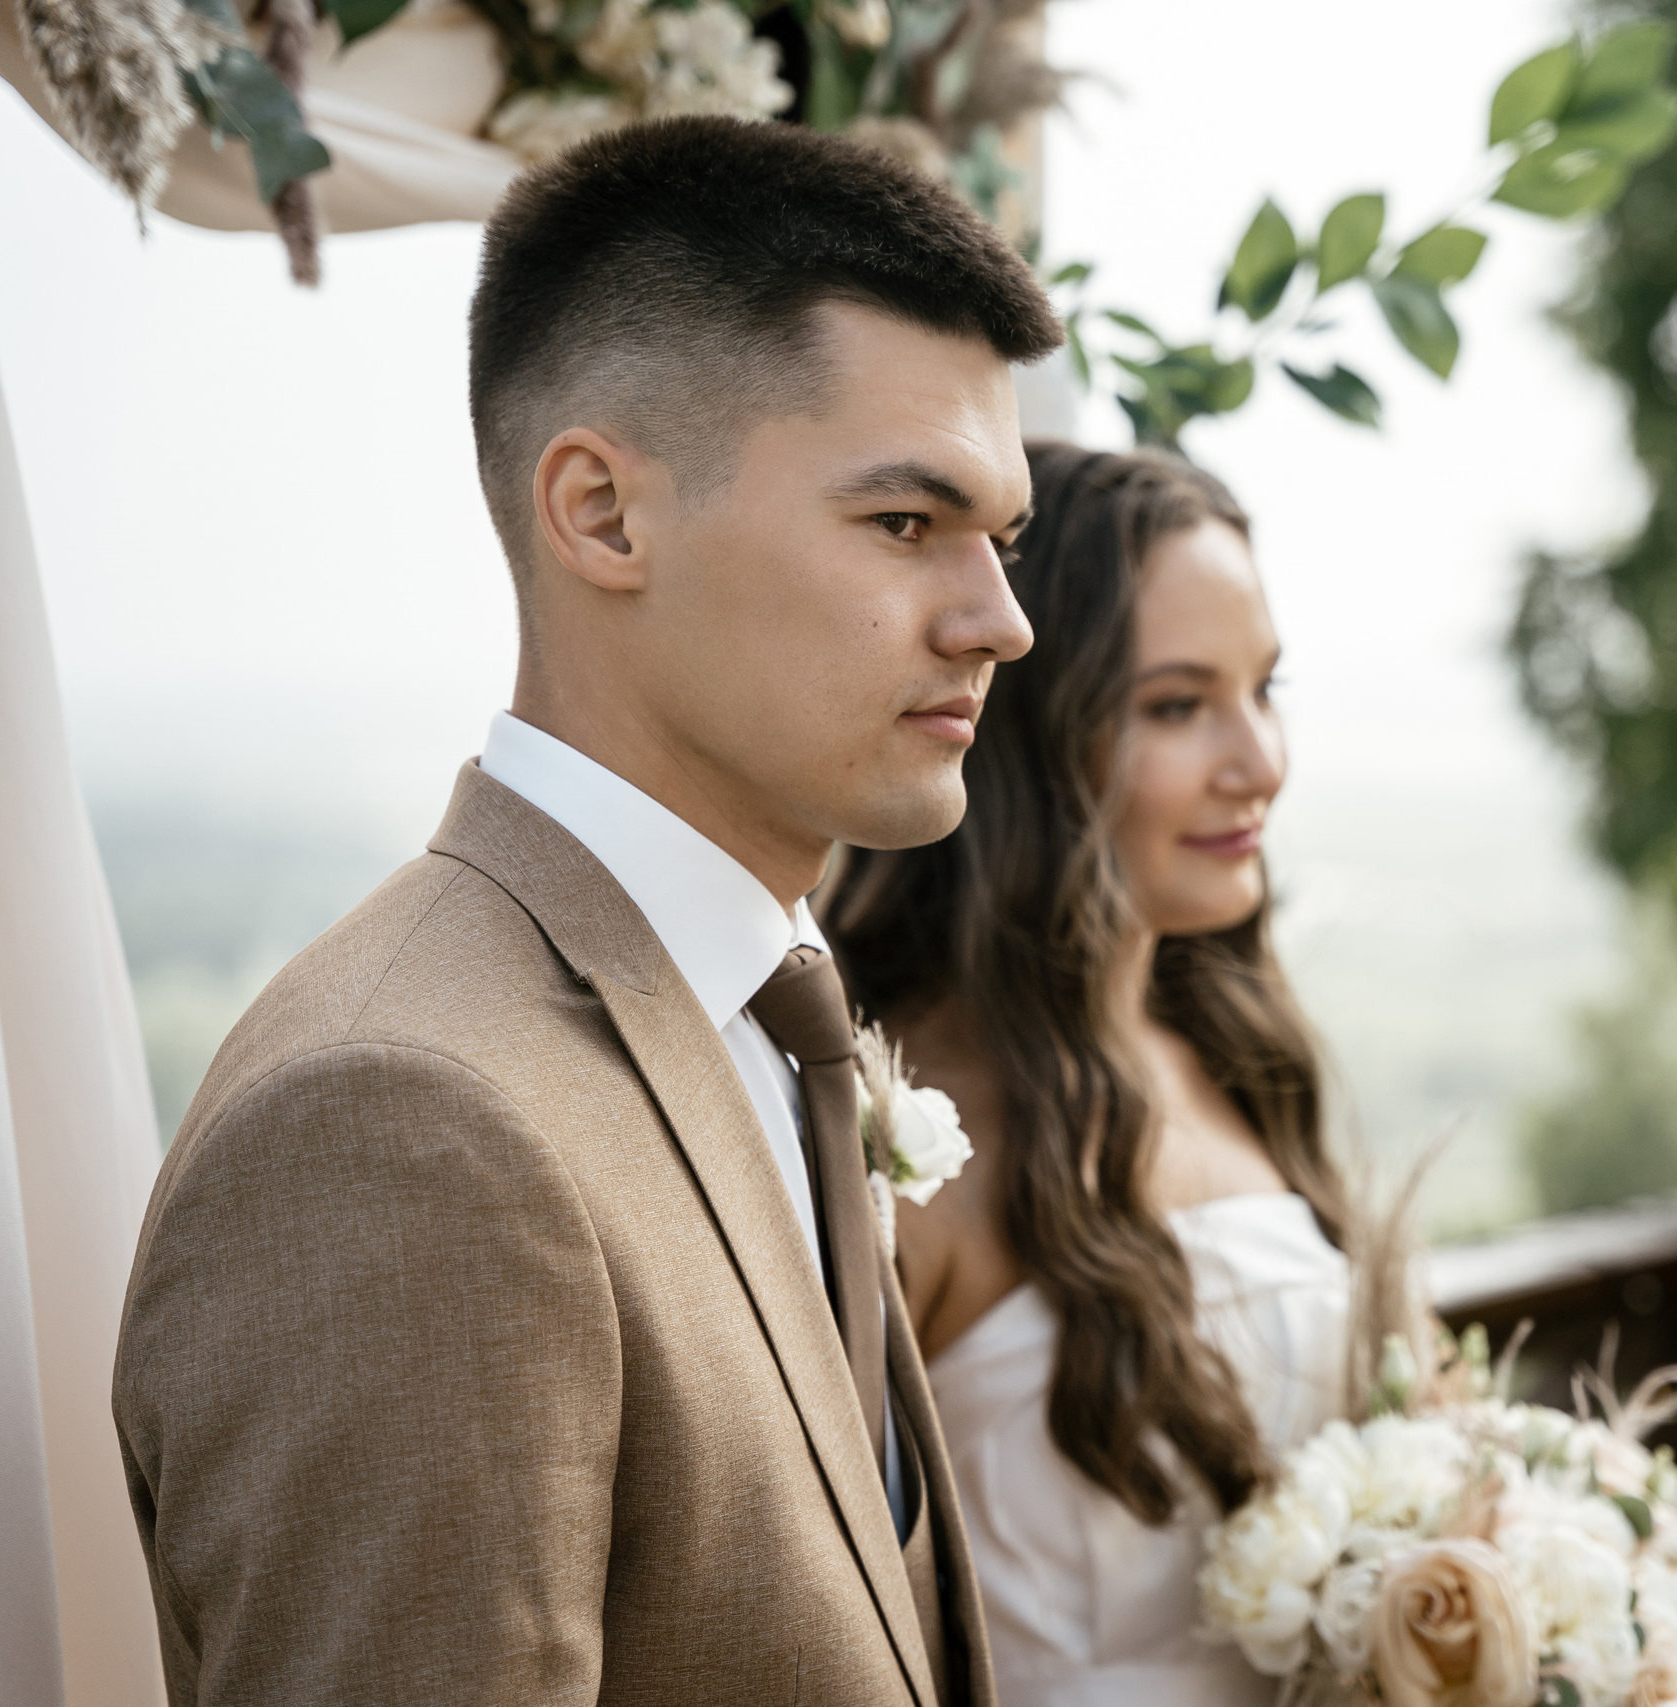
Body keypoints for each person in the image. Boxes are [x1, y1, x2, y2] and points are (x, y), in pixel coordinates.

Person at [112, 117, 1059, 1706]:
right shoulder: (402, 1120)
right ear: (604, 515)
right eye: (906, 523)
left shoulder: (773, 1019)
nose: (1001, 619)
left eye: (1002, 536)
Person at [826, 443, 1352, 1706]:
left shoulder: (1236, 1053)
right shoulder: (904, 1140)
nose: (1258, 760)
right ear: (1029, 729)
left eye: (1264, 688)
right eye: (1177, 706)